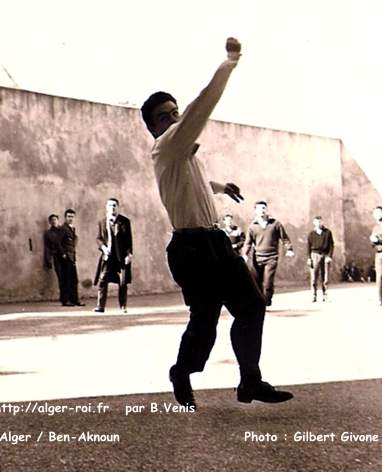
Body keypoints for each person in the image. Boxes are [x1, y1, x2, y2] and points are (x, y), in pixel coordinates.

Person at [140, 37, 293, 408]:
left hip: (216, 243)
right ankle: (182, 370)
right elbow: (201, 107)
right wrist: (229, 63)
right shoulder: (167, 146)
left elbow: (193, 183)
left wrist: (220, 187)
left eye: (175, 112)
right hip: (191, 249)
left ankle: (250, 382)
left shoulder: (182, 156)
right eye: (166, 116)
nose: (175, 118)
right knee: (205, 322)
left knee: (252, 306)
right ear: (155, 128)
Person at [242, 201, 294, 307]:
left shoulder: (275, 224)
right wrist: (245, 254)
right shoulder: (252, 226)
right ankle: (260, 302)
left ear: (266, 210)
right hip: (257, 258)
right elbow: (248, 243)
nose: (262, 210)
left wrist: (289, 249)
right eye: (259, 208)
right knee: (256, 282)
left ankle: (266, 301)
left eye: (264, 208)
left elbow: (285, 238)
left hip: (271, 258)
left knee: (268, 282)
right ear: (255, 211)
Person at [94, 198, 133, 313]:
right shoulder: (102, 222)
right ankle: (100, 306)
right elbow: (99, 238)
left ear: (118, 207)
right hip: (108, 257)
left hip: (121, 257)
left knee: (122, 282)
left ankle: (123, 306)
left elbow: (129, 240)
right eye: (110, 205)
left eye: (115, 205)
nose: (112, 207)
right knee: (102, 280)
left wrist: (129, 254)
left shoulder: (124, 221)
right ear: (106, 208)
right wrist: (103, 248)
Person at [60, 209, 85, 307]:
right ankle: (65, 300)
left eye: (72, 216)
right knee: (66, 279)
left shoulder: (72, 228)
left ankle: (74, 300)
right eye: (69, 216)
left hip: (72, 257)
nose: (70, 218)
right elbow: (59, 243)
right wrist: (63, 254)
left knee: (74, 280)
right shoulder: (63, 229)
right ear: (65, 217)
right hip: (66, 257)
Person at [307, 216, 334, 302]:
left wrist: (329, 256)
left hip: (325, 255)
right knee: (314, 277)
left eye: (320, 221)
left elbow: (331, 245)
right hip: (314, 255)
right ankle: (313, 295)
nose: (319, 223)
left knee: (325, 277)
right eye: (317, 222)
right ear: (314, 223)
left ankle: (325, 295)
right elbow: (308, 246)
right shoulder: (311, 234)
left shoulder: (328, 233)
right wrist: (309, 258)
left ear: (322, 222)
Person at [43, 214, 66, 303]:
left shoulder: (63, 230)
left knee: (67, 276)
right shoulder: (48, 233)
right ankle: (63, 296)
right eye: (51, 220)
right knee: (60, 276)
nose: (53, 221)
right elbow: (47, 247)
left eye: (55, 219)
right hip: (56, 256)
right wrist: (48, 259)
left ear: (58, 220)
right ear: (49, 222)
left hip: (65, 256)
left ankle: (67, 296)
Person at [369, 205, 382, 305]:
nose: (377, 215)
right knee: (379, 276)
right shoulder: (375, 227)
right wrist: (373, 241)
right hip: (378, 254)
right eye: (375, 214)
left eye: (379, 213)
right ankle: (379, 298)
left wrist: (379, 239)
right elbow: (373, 243)